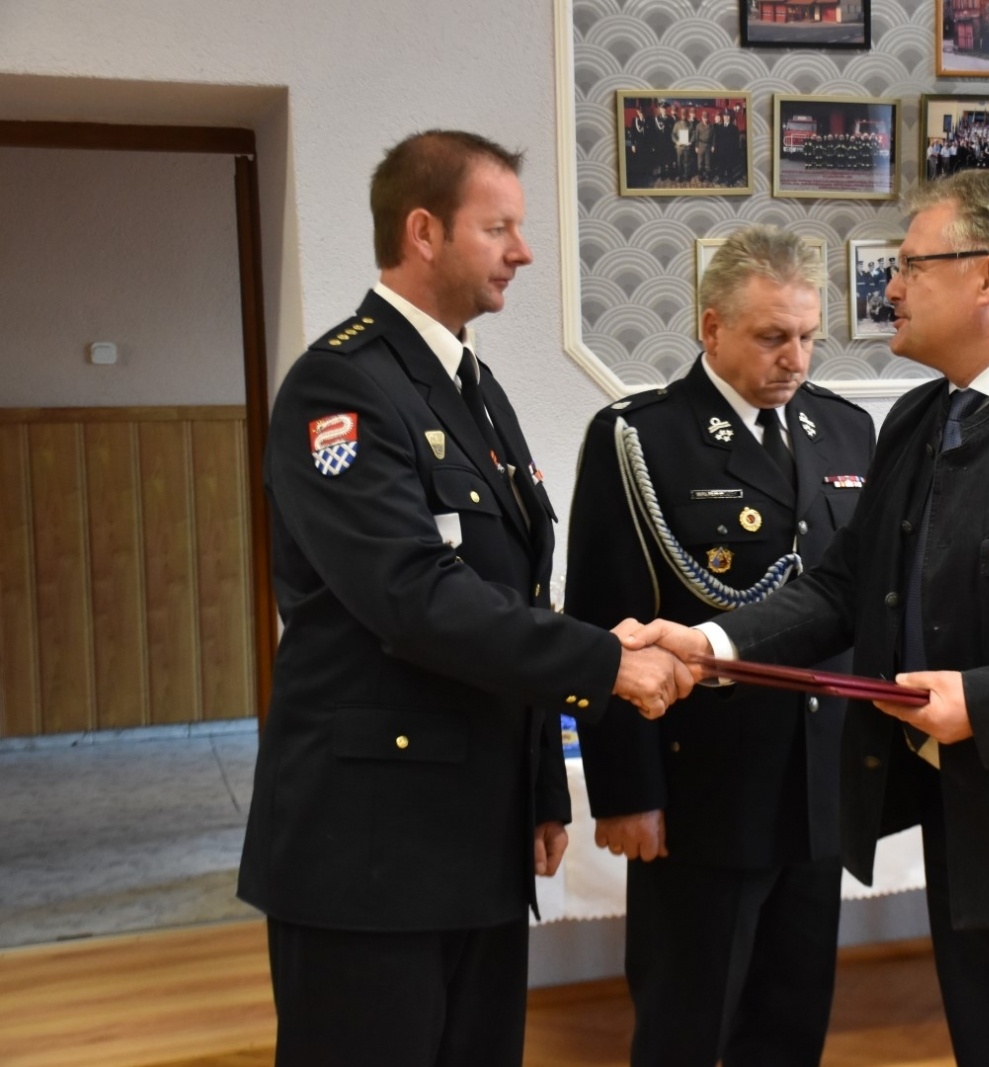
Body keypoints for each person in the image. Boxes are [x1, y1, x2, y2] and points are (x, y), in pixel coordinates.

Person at [624, 168, 989, 1066]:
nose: (889, 286)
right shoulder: (917, 421)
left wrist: (985, 700)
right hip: (968, 844)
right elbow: (841, 587)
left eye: (910, 265)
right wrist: (711, 643)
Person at [237, 129, 692, 1067]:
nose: (524, 252)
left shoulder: (471, 387)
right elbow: (412, 595)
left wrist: (535, 788)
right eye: (501, 229)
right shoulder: (343, 385)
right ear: (424, 231)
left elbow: (511, 586)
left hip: (473, 833)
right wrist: (607, 663)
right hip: (370, 848)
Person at [565, 226, 875, 1067]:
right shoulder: (642, 438)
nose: (797, 358)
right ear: (711, 328)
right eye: (773, 337)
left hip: (817, 791)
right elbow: (606, 623)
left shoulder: (846, 433)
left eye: (809, 335)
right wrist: (628, 791)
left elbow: (859, 609)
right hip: (703, 793)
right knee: (685, 1024)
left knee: (791, 1019)